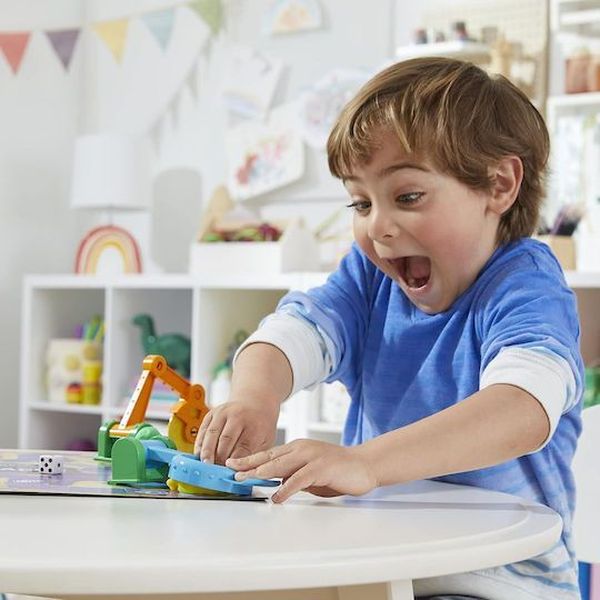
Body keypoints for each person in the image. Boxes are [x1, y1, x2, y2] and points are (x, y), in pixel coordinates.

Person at [194, 57, 584, 600]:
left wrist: (364, 464)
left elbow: (522, 410)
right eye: (360, 202)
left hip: (499, 580)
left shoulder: (526, 285)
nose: (377, 226)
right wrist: (254, 401)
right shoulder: (372, 279)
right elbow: (293, 331)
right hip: (376, 566)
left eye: (407, 197)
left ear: (499, 184)